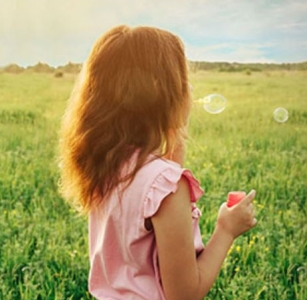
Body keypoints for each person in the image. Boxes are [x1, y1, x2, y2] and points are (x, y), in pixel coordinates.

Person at [58, 25, 257, 300]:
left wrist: (172, 137)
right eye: (182, 81)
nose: (189, 89)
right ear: (163, 93)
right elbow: (185, 294)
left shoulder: (106, 164)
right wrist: (226, 230)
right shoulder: (167, 187)